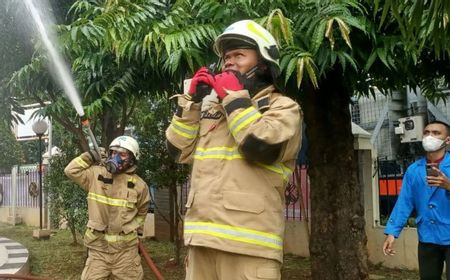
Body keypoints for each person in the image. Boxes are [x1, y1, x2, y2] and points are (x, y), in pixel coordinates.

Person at [166, 19, 302, 280]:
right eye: (227, 57)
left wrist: (234, 99)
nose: (229, 62)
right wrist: (191, 104)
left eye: (239, 55)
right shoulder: (210, 108)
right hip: (201, 241)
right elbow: (177, 151)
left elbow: (260, 147)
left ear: (263, 64)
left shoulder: (283, 107)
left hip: (249, 246)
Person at [64, 135, 150, 280]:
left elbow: (142, 213)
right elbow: (71, 171)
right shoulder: (96, 174)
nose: (116, 157)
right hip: (98, 250)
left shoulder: (139, 185)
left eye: (122, 154)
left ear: (132, 159)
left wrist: (131, 229)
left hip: (126, 253)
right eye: (114, 153)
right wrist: (90, 156)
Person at [383, 120, 450, 280]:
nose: (430, 136)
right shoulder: (414, 170)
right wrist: (392, 232)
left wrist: (449, 186)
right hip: (427, 236)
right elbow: (404, 202)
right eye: (426, 133)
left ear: (447, 140)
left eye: (436, 133)